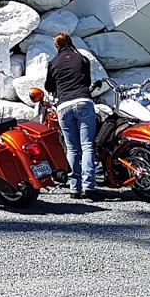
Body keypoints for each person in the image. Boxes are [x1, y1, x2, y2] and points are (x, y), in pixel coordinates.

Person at [45, 32, 97, 200]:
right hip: (83, 101)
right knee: (87, 145)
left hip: (64, 105)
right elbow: (87, 82)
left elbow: (49, 86)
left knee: (72, 147)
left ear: (57, 46)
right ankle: (89, 186)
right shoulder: (82, 59)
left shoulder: (53, 63)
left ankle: (74, 188)